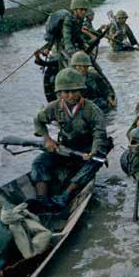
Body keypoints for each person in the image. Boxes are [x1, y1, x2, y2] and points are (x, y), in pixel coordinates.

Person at [29, 68, 109, 211]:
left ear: (81, 90)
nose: (71, 95)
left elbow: (99, 135)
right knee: (39, 162)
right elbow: (38, 120)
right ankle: (42, 199)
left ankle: (66, 196)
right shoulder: (54, 107)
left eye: (74, 91)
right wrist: (48, 139)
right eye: (66, 92)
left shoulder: (92, 110)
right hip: (65, 148)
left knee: (95, 161)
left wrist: (94, 152)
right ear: (59, 93)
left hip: (87, 150)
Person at [57, 0, 89, 68]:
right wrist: (74, 53)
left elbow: (78, 36)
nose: (84, 12)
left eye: (85, 10)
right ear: (75, 10)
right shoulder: (68, 20)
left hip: (74, 46)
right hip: (64, 49)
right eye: (81, 9)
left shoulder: (79, 20)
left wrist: (84, 43)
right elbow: (67, 39)